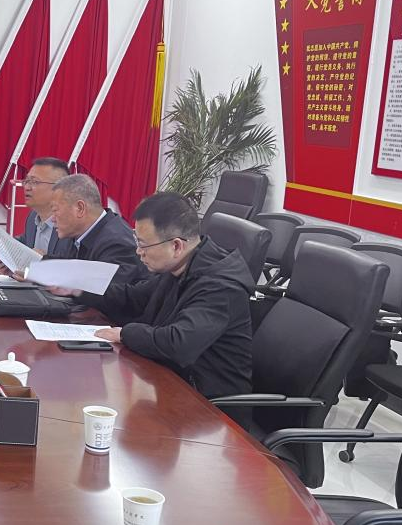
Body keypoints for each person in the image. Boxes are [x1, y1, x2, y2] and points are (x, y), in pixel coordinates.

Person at [51, 191, 254, 399]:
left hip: (209, 404)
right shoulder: (181, 265)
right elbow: (133, 298)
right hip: (169, 383)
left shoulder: (221, 287)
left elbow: (179, 343)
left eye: (143, 244)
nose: (138, 252)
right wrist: (77, 289)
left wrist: (124, 334)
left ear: (176, 246)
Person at [45, 174, 145, 283]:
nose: (52, 219)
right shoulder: (76, 233)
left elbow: (104, 291)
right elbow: (68, 267)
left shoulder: (117, 244)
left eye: (55, 210)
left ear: (80, 208)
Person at [16, 157, 72, 256]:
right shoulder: (33, 216)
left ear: (59, 188)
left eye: (35, 182)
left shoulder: (72, 225)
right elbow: (25, 240)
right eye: (26, 181)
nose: (27, 187)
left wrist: (45, 261)